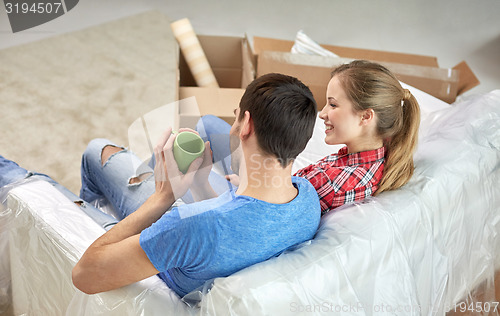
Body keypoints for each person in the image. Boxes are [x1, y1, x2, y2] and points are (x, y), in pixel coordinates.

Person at [71, 73, 321, 296]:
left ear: (246, 124)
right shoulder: (308, 199)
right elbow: (234, 225)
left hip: (165, 247)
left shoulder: (188, 223)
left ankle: (90, 214)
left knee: (97, 152)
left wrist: (163, 197)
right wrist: (200, 186)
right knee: (206, 124)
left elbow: (83, 276)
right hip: (202, 241)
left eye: (236, 118)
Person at [200, 60, 421, 215]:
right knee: (208, 124)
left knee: (190, 161)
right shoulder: (375, 158)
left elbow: (271, 211)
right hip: (268, 186)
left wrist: (243, 188)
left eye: (333, 104)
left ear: (366, 116)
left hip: (255, 204)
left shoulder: (336, 182)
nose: (322, 113)